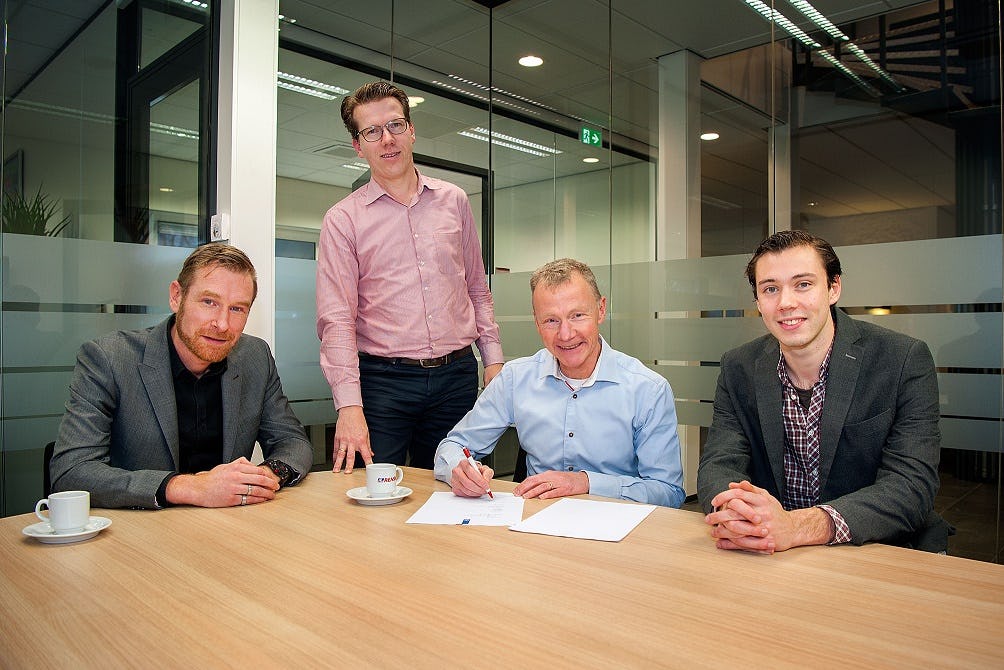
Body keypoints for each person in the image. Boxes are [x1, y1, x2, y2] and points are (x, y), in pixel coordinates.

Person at [698, 230, 950, 553]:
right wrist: (738, 515)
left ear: (834, 288)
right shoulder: (739, 367)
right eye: (770, 289)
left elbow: (911, 487)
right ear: (758, 302)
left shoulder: (902, 360)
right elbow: (718, 464)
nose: (786, 303)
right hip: (774, 553)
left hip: (878, 551)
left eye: (803, 284)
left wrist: (799, 526)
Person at [317, 81, 503, 473]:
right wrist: (349, 407)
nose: (388, 140)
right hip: (384, 384)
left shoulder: (454, 201)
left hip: (456, 379)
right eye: (372, 131)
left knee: (458, 493)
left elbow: (476, 289)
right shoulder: (343, 220)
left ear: (412, 130)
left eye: (396, 125)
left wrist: (494, 362)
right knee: (375, 499)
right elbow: (336, 321)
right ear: (358, 145)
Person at [50, 243, 313, 509]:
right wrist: (189, 487)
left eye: (237, 309)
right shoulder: (109, 358)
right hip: (138, 532)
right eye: (209, 302)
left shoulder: (255, 356)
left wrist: (266, 475)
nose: (222, 324)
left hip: (227, 526)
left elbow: (292, 441)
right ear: (177, 296)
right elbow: (71, 471)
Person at [434, 258, 685, 508]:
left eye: (577, 315)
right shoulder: (515, 378)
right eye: (551, 320)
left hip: (617, 530)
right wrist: (461, 470)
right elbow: (452, 446)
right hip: (534, 525)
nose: (565, 335)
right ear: (536, 322)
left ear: (601, 310)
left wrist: (586, 483)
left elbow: (668, 492)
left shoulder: (648, 389)